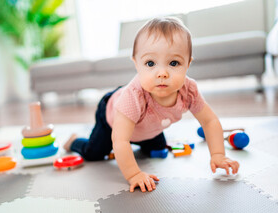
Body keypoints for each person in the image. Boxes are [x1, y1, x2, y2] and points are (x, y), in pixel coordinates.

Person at [64, 17, 240, 193]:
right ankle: (74, 141)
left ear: (188, 64)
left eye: (174, 63)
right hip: (112, 121)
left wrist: (218, 155)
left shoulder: (189, 90)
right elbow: (120, 140)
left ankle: (142, 141)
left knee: (157, 148)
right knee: (94, 153)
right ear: (136, 63)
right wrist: (134, 174)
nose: (162, 73)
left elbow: (209, 121)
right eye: (150, 63)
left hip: (147, 127)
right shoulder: (133, 96)